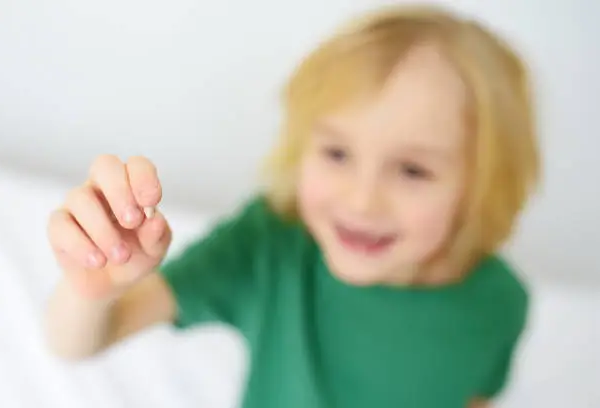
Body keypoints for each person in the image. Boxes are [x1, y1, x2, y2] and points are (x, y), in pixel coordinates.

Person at [44, 4, 540, 408]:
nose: (362, 200)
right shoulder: (270, 244)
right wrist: (93, 286)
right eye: (336, 153)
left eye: (413, 170)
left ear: (482, 185)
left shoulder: (501, 301)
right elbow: (83, 340)